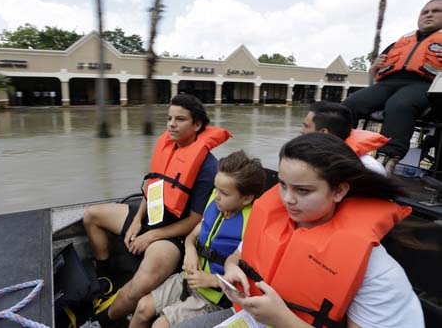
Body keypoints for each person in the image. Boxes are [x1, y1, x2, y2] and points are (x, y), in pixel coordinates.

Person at [172, 133, 424, 328]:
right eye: (283, 185)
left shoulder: (377, 272)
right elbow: (237, 255)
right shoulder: (273, 222)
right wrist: (231, 269)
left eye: (303, 191)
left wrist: (283, 320)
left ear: (339, 191)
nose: (287, 199)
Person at [82, 93, 231, 328]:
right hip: (151, 217)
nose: (171, 124)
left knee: (142, 282)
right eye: (169, 118)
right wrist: (137, 221)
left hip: (175, 235)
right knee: (92, 216)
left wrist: (151, 236)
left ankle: (101, 321)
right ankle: (105, 277)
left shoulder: (207, 167)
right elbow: (154, 187)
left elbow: (195, 220)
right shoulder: (168, 148)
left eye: (180, 119)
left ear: (197, 124)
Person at [129, 150, 267, 328]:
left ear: (246, 198)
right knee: (142, 307)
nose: (216, 195)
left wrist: (212, 280)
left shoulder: (253, 226)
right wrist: (190, 250)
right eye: (216, 188)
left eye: (224, 193)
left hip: (214, 297)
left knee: (160, 325)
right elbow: (193, 234)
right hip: (189, 278)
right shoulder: (215, 202)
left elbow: (251, 278)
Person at [343, 0, 442, 174]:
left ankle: (387, 160)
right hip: (388, 84)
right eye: (425, 12)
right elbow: (376, 75)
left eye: (436, 11)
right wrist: (374, 68)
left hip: (426, 85)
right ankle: (336, 148)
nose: (429, 15)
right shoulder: (401, 42)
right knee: (351, 103)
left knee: (399, 104)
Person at [301, 101, 387, 175]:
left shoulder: (367, 168)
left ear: (323, 132)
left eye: (306, 126)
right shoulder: (303, 157)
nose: (301, 131)